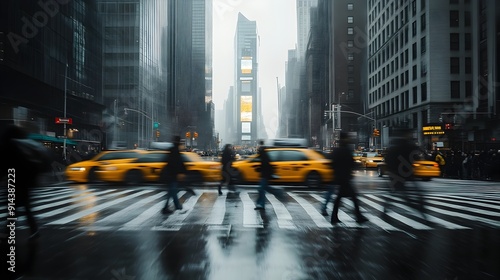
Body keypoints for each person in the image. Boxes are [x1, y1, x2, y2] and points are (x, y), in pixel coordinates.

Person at [0, 125, 43, 239]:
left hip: (14, 181)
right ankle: (32, 230)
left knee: (13, 208)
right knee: (24, 208)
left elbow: (5, 165)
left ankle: (8, 232)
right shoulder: (23, 147)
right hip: (25, 183)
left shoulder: (10, 147)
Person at [384, 128, 426, 215]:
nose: (411, 135)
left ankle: (386, 208)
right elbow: (417, 154)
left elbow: (388, 159)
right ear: (405, 135)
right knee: (404, 194)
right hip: (402, 173)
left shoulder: (395, 145)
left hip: (400, 173)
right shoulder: (406, 145)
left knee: (394, 192)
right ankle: (419, 209)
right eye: (409, 134)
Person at [329, 133, 368, 224]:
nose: (349, 139)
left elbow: (333, 163)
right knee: (353, 197)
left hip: (340, 177)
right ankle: (358, 216)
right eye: (347, 138)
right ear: (344, 139)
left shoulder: (337, 150)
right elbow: (350, 162)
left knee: (340, 198)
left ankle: (335, 217)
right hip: (344, 178)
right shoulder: (345, 150)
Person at [161, 136, 187, 214]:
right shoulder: (175, 151)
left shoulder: (173, 150)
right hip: (173, 174)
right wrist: (181, 171)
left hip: (171, 174)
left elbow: (170, 161)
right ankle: (172, 206)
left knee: (172, 191)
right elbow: (177, 163)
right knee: (172, 190)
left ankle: (174, 206)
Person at [254, 141, 282, 210]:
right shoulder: (264, 154)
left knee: (261, 189)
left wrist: (259, 169)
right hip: (265, 175)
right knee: (266, 188)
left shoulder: (264, 155)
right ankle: (279, 193)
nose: (257, 149)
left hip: (265, 175)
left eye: (258, 148)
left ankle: (261, 204)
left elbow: (266, 165)